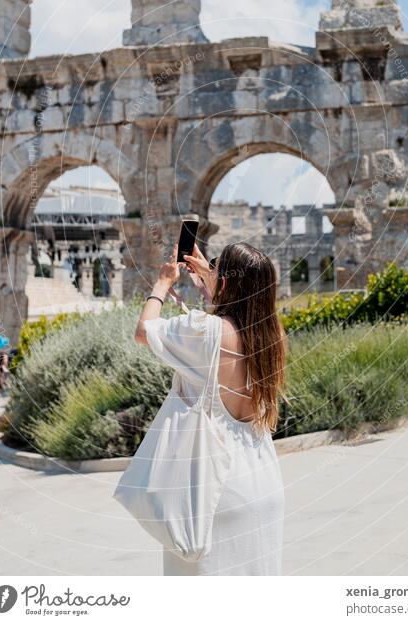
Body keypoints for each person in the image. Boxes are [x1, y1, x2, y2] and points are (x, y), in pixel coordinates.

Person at [134, 241, 287, 576]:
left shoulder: (205, 331)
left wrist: (162, 283)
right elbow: (235, 314)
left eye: (218, 267)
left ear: (227, 282)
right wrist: (213, 279)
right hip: (261, 481)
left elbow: (145, 331)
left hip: (215, 491)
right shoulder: (269, 333)